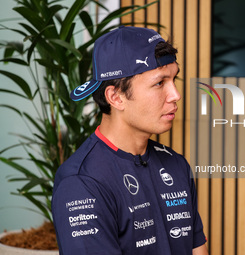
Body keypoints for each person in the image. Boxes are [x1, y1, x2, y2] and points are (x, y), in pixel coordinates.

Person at [52, 26, 208, 255]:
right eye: (159, 83)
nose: (176, 95)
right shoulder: (81, 183)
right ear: (115, 97)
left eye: (173, 79)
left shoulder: (176, 165)